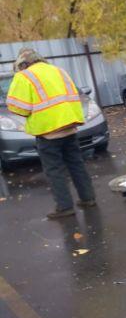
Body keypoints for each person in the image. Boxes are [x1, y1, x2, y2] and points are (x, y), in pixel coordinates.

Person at [5, 48, 96, 219]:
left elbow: (17, 106)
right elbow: (74, 96)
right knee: (76, 164)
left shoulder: (24, 76)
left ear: (23, 63)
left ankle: (65, 207)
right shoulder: (58, 71)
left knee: (54, 170)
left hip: (48, 132)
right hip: (69, 126)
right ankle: (88, 198)